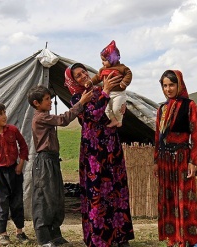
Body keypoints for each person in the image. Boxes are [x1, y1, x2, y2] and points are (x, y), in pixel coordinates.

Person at [65, 63, 135, 247]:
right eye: (78, 76)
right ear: (73, 81)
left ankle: (120, 236)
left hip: (111, 145)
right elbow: (94, 115)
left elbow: (113, 106)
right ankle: (99, 238)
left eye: (83, 72)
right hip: (94, 152)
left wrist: (119, 110)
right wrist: (105, 91)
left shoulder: (98, 89)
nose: (83, 76)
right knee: (97, 191)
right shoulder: (76, 99)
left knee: (116, 188)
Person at [27, 85, 93, 247]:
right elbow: (63, 120)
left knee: (56, 197)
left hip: (52, 160)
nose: (51, 102)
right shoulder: (40, 117)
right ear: (36, 103)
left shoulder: (45, 116)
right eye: (47, 99)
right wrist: (81, 103)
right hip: (44, 162)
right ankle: (43, 238)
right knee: (44, 198)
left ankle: (55, 235)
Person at [153, 70, 197, 247]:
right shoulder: (161, 109)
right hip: (165, 160)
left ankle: (191, 239)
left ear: (179, 85)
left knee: (185, 200)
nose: (168, 89)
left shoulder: (190, 105)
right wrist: (156, 162)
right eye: (165, 85)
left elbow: (195, 134)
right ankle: (173, 238)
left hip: (182, 158)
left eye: (172, 85)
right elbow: (157, 137)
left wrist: (193, 161)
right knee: (168, 200)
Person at [0, 101, 30, 246]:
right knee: (0, 205)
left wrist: (20, 164)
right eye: (0, 114)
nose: (4, 116)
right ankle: (3, 235)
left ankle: (20, 232)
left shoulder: (13, 130)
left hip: (14, 171)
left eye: (4, 113)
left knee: (17, 203)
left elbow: (24, 147)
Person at [87, 40, 132, 128]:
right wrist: (90, 82)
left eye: (104, 60)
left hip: (119, 93)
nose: (102, 63)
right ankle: (114, 120)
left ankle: (119, 121)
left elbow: (129, 74)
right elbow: (97, 77)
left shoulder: (122, 68)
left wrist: (124, 83)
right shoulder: (102, 70)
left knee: (116, 109)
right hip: (107, 94)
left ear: (112, 58)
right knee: (106, 109)